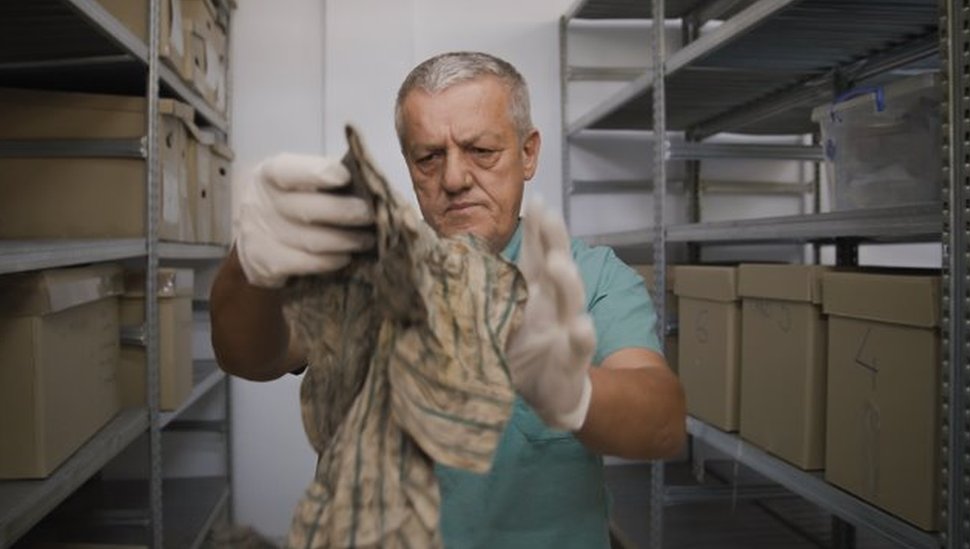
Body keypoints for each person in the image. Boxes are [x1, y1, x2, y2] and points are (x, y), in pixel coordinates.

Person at [211, 51, 686, 548]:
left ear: (528, 154)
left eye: (482, 151)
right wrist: (250, 265)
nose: (455, 179)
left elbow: (663, 424)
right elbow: (246, 356)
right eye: (429, 157)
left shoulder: (591, 277)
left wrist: (567, 387)